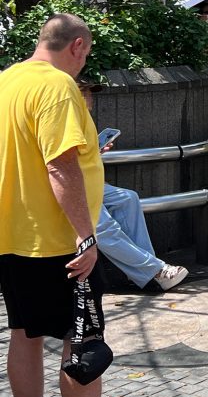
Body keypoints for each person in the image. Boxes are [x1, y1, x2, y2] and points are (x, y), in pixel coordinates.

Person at [0, 14, 105, 397]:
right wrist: (86, 235)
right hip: (58, 241)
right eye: (87, 54)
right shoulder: (58, 86)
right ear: (77, 46)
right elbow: (59, 165)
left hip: (13, 234)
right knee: (81, 342)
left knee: (24, 334)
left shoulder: (8, 80)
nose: (84, 63)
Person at [76, 81, 189, 292]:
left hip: (86, 180)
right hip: (71, 185)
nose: (89, 97)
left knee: (127, 198)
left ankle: (143, 272)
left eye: (89, 93)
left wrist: (94, 153)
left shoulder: (83, 119)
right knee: (103, 226)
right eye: (84, 93)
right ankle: (155, 270)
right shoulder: (67, 118)